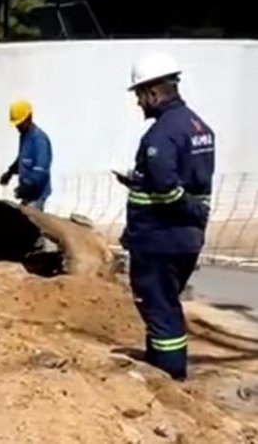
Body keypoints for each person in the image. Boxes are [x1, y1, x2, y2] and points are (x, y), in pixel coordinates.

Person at [116, 53, 214, 381]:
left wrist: (187, 208)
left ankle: (169, 378)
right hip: (185, 238)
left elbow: (166, 187)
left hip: (160, 239)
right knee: (166, 306)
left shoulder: (161, 135)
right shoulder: (198, 126)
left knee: (158, 307)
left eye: (140, 95)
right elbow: (188, 180)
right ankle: (162, 364)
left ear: (154, 93)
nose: (139, 103)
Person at [0, 100, 53, 210]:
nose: (17, 127)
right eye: (16, 124)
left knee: (29, 222)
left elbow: (41, 170)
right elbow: (23, 159)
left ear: (29, 118)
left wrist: (27, 186)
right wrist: (10, 172)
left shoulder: (39, 140)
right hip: (28, 195)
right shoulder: (24, 136)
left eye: (20, 123)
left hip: (37, 195)